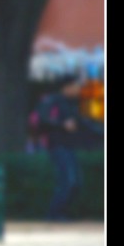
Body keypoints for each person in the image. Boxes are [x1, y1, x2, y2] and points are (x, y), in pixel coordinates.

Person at [30, 74, 104, 221]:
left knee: (77, 182)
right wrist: (61, 125)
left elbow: (85, 123)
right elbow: (41, 119)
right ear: (67, 87)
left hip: (69, 147)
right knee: (68, 180)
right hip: (57, 146)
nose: (78, 89)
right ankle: (54, 214)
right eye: (76, 85)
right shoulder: (52, 101)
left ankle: (61, 213)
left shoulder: (73, 104)